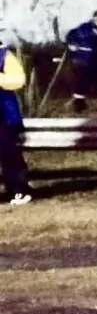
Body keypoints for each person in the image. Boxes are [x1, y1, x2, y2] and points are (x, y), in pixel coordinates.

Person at [0, 41, 33, 206]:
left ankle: (20, 190)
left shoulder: (4, 56)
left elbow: (19, 80)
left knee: (9, 154)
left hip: (5, 116)